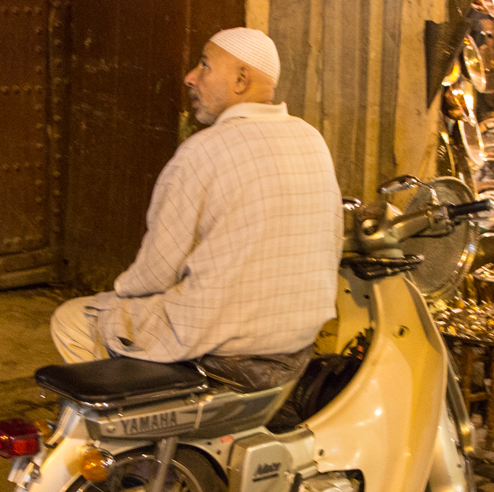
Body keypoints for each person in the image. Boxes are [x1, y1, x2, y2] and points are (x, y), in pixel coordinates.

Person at [50, 28, 343, 390]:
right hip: (294, 343)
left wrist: (119, 292)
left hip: (219, 344)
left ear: (241, 79)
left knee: (74, 318)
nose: (191, 77)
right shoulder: (311, 139)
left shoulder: (204, 150)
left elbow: (156, 272)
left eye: (204, 65)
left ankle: (127, 421)